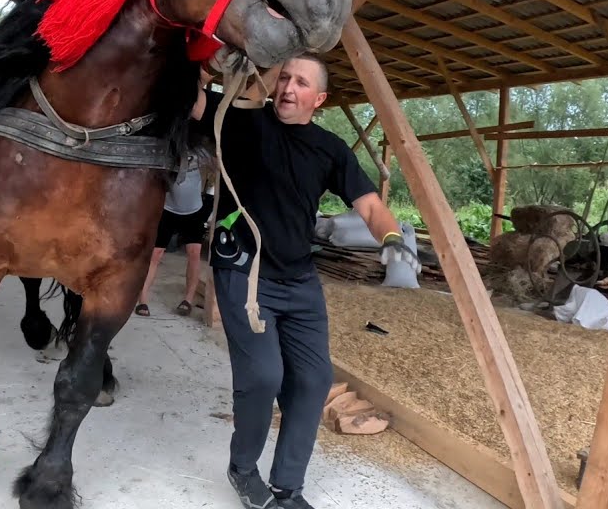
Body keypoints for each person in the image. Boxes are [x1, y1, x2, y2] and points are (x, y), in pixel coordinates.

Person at [193, 54, 418, 509]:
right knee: (263, 375)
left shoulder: (330, 149)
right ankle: (242, 467)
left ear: (319, 98)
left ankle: (288, 487)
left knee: (314, 380)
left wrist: (392, 238)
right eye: (284, 77)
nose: (287, 87)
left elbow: (372, 208)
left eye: (300, 82)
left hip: (299, 280)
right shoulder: (242, 123)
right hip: (245, 272)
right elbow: (193, 104)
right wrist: (202, 62)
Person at [135, 143, 214, 317]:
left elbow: (218, 164)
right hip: (168, 209)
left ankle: (188, 300)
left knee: (194, 254)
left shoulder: (200, 150)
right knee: (156, 254)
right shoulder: (169, 148)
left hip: (194, 210)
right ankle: (143, 299)